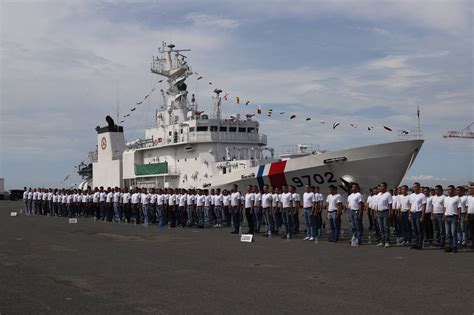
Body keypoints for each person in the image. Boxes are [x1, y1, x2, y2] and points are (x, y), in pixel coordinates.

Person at [443, 185, 461, 253]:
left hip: (454, 217)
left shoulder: (457, 198)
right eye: (448, 190)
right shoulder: (446, 198)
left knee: (454, 233)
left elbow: (459, 208)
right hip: (447, 217)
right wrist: (444, 215)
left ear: (454, 190)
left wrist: (459, 217)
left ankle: (455, 246)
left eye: (450, 189)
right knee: (448, 233)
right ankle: (450, 246)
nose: (449, 191)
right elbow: (445, 207)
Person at [409, 182, 426, 250]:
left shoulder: (422, 195)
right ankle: (416, 243)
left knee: (419, 229)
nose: (415, 188)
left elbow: (423, 206)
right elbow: (410, 205)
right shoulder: (411, 195)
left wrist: (422, 216)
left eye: (416, 187)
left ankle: (420, 244)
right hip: (412, 213)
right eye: (414, 187)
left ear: (419, 187)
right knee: (414, 230)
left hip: (418, 213)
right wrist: (409, 214)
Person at [375, 182, 392, 248]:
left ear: (385, 187)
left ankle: (387, 242)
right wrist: (376, 211)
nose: (380, 187)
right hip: (379, 212)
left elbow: (390, 204)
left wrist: (390, 213)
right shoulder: (378, 194)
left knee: (386, 227)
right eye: (380, 186)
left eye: (382, 186)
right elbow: (377, 204)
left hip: (385, 212)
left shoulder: (388, 194)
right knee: (381, 228)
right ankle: (382, 241)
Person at [467, 185, 474, 250]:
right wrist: (466, 217)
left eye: (472, 188)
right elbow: (467, 207)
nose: (471, 190)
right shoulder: (468, 198)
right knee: (471, 231)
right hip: (470, 215)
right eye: (470, 189)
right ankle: (472, 244)